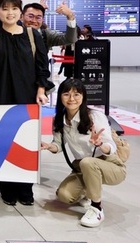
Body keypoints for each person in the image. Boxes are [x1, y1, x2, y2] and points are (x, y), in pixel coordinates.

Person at [0, 0, 53, 206]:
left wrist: (41, 90)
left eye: (14, 8)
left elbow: (42, 66)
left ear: (20, 12)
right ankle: (7, 188)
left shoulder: (32, 35)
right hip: (0, 97)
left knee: (26, 141)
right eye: (5, 8)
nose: (9, 13)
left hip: (27, 97)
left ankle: (25, 188)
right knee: (4, 143)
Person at [40, 78, 126, 227]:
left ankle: (97, 208)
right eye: (66, 94)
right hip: (82, 167)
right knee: (64, 195)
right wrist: (49, 146)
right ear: (60, 97)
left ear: (83, 97)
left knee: (87, 163)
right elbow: (58, 146)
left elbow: (111, 147)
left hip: (110, 165)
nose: (71, 99)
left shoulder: (95, 116)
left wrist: (100, 144)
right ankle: (87, 191)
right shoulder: (59, 119)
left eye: (76, 94)